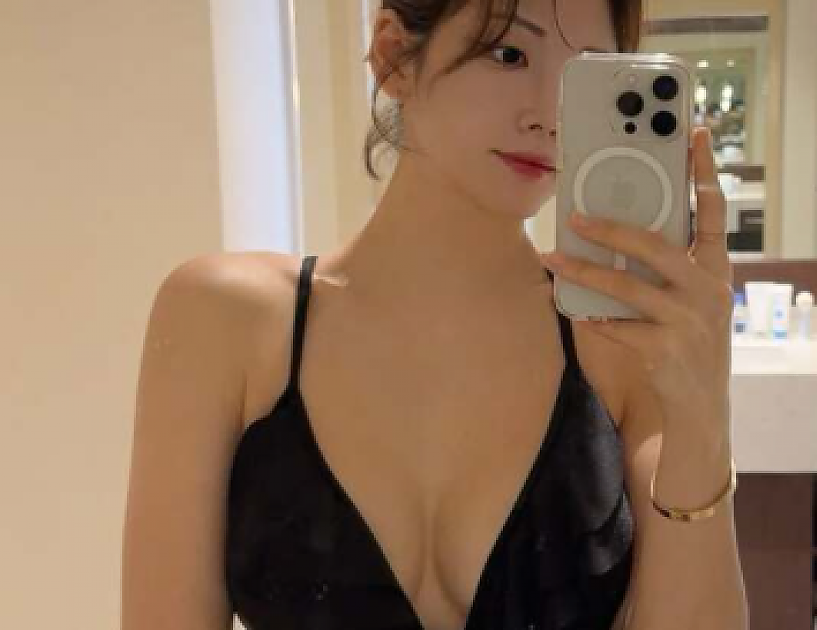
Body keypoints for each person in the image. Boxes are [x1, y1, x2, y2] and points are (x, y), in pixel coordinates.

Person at [120, 1, 746, 628]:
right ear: (394, 56)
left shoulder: (617, 340)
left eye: (583, 78)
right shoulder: (225, 319)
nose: (549, 116)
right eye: (509, 54)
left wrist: (702, 416)